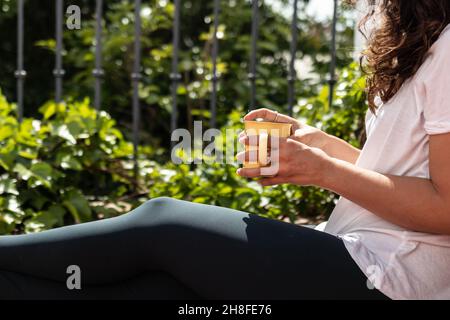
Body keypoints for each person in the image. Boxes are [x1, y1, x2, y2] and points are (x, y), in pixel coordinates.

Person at [1, 0, 450, 300]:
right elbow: (407, 174)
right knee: (153, 289)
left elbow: (444, 208)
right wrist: (319, 145)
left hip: (394, 278)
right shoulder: (423, 42)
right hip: (359, 251)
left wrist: (323, 171)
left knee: (164, 222)